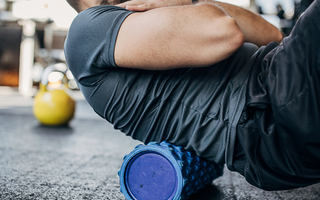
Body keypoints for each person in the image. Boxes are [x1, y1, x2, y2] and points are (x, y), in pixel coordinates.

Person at [64, 0, 320, 192]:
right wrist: (178, 4)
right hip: (265, 115)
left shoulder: (129, 20)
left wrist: (187, 5)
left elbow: (272, 35)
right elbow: (223, 31)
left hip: (277, 98)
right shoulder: (88, 27)